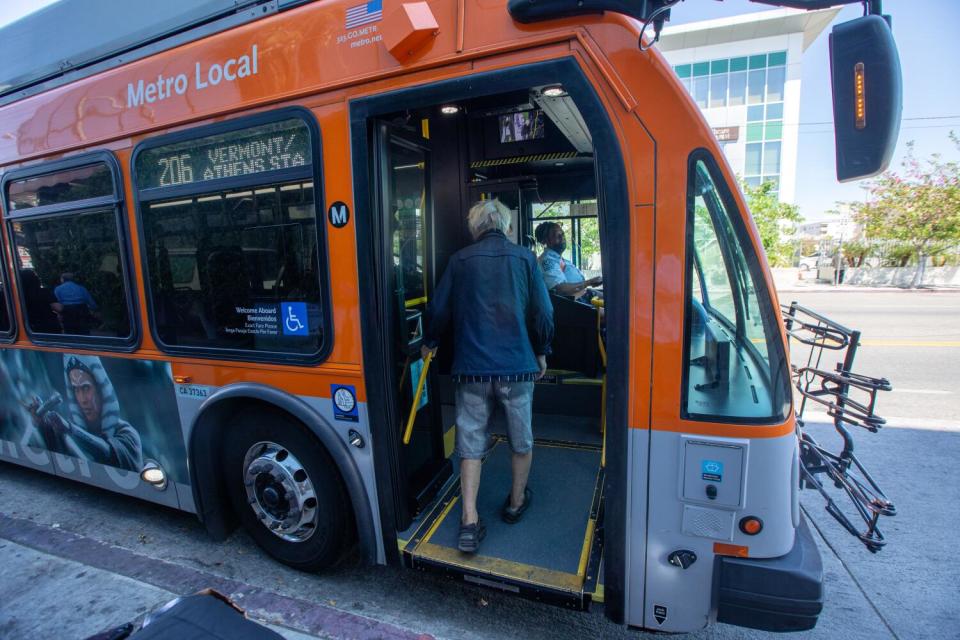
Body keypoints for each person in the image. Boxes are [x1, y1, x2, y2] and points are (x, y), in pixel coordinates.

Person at [422, 199, 554, 554]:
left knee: (470, 441)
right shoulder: (526, 259)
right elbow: (543, 312)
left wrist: (430, 341)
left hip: (473, 369)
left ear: (475, 227)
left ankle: (468, 519)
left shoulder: (459, 261)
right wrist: (541, 351)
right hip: (517, 367)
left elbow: (438, 309)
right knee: (520, 437)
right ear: (506, 226)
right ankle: (514, 502)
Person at [29, 355, 143, 472]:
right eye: (76, 390)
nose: (83, 399)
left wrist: (70, 429)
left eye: (86, 388)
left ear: (101, 390)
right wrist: (43, 423)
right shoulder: (66, 431)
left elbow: (109, 454)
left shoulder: (128, 434)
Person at [534, 221, 602, 299]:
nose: (562, 237)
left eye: (562, 234)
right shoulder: (547, 261)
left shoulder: (562, 260)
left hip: (585, 295)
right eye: (557, 235)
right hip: (573, 305)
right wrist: (588, 282)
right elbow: (560, 289)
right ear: (545, 241)